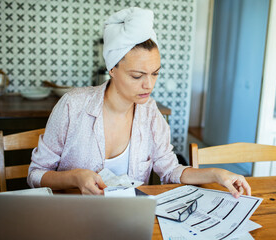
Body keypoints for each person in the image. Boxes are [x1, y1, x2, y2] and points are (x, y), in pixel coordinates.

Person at [27, 7, 251, 198]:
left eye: (155, 74)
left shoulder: (151, 113)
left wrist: (217, 174)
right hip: (70, 216)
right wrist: (75, 177)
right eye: (137, 76)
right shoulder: (72, 106)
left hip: (128, 218)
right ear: (112, 69)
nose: (149, 85)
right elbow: (35, 174)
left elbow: (170, 169)